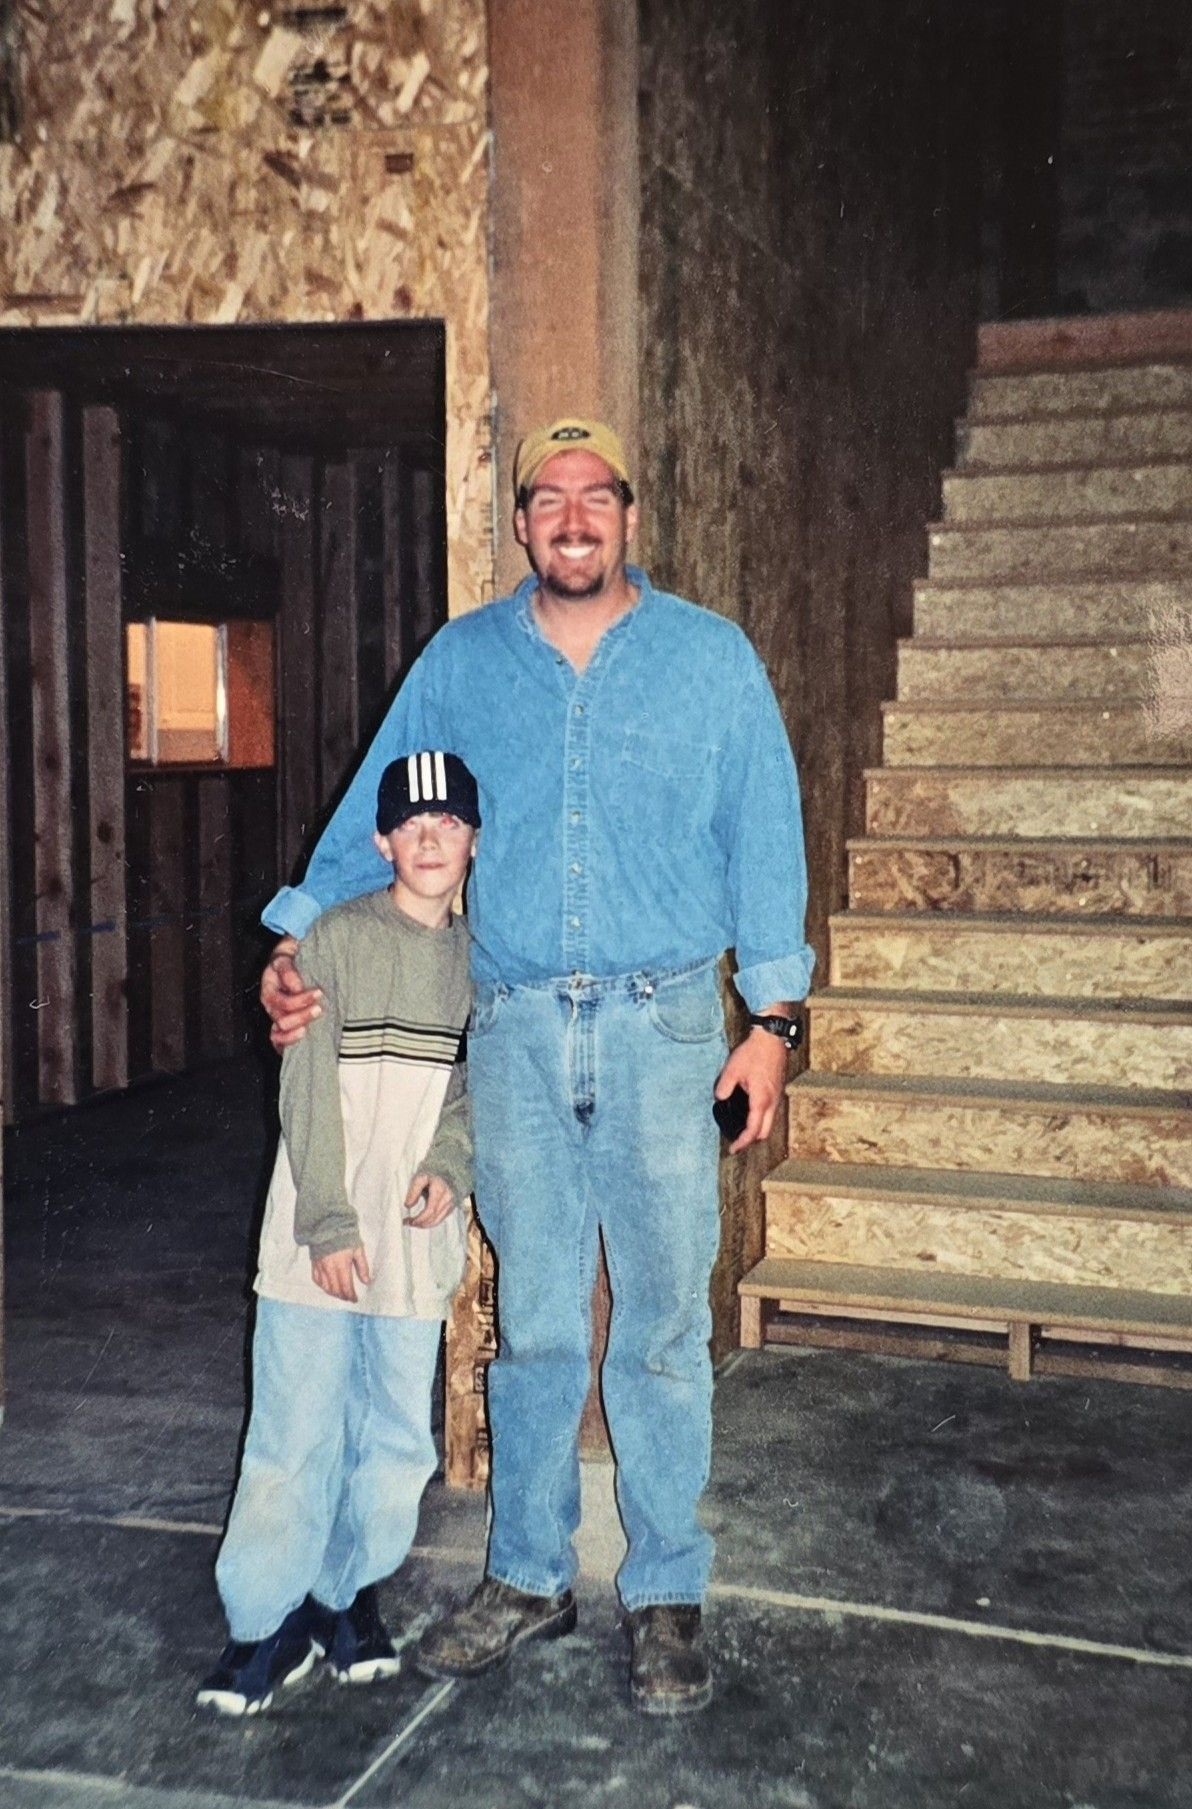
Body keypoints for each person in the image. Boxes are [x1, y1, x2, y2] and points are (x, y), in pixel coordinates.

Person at [260, 419, 813, 1716]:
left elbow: (765, 836)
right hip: (509, 1029)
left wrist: (774, 1024)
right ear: (520, 523)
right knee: (539, 1327)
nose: (573, 516)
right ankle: (528, 1572)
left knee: (666, 1328)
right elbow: (373, 811)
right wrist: (296, 938)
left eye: (595, 495)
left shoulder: (708, 661)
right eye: (548, 497)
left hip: (666, 1026)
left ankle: (666, 1589)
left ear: (628, 513)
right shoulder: (462, 661)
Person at [197, 751, 480, 1717]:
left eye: (449, 823)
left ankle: (347, 1594)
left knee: (396, 1430)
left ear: (474, 839)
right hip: (320, 1223)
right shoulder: (333, 940)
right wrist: (324, 1217)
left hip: (412, 1233)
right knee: (296, 1421)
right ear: (382, 841)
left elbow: (475, 1089)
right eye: (412, 824)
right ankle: (263, 1622)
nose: (430, 838)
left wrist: (451, 1162)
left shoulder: (483, 964)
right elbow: (306, 1085)